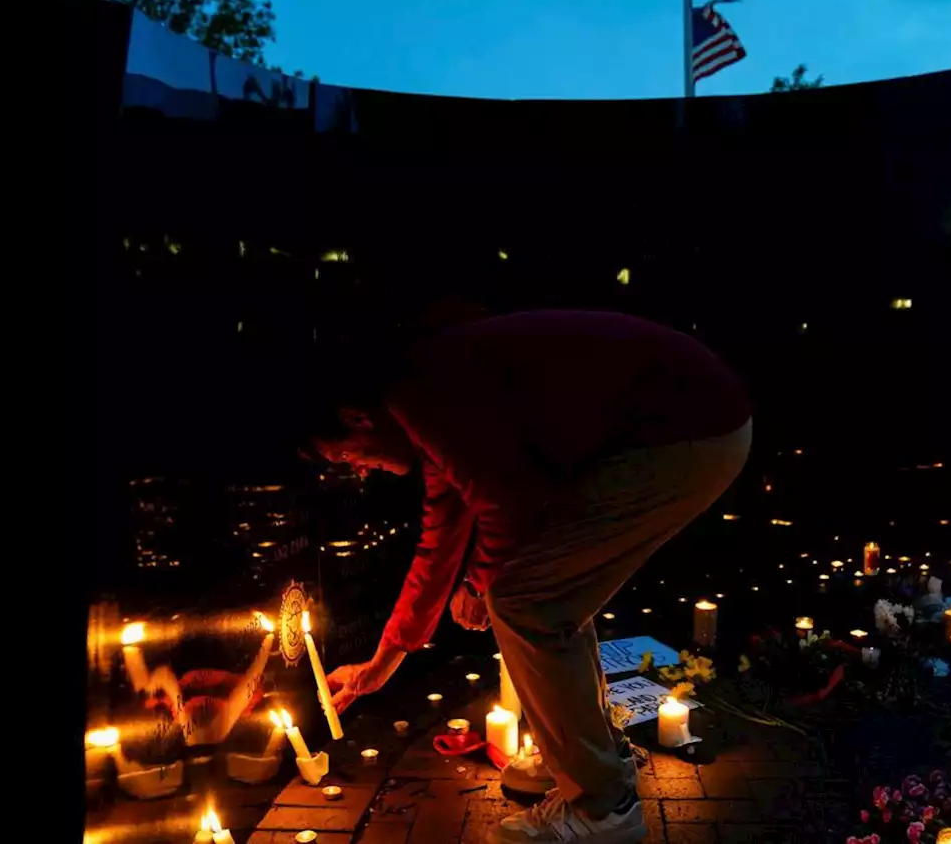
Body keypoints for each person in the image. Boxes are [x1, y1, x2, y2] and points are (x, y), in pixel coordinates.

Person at [314, 310, 751, 843]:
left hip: (683, 429)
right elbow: (439, 540)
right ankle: (593, 762)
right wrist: (383, 661)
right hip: (689, 423)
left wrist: (478, 584)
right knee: (547, 597)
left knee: (529, 602)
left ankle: (602, 808)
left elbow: (510, 501)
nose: (357, 470)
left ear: (356, 418)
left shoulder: (421, 394)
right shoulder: (426, 415)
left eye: (342, 456)